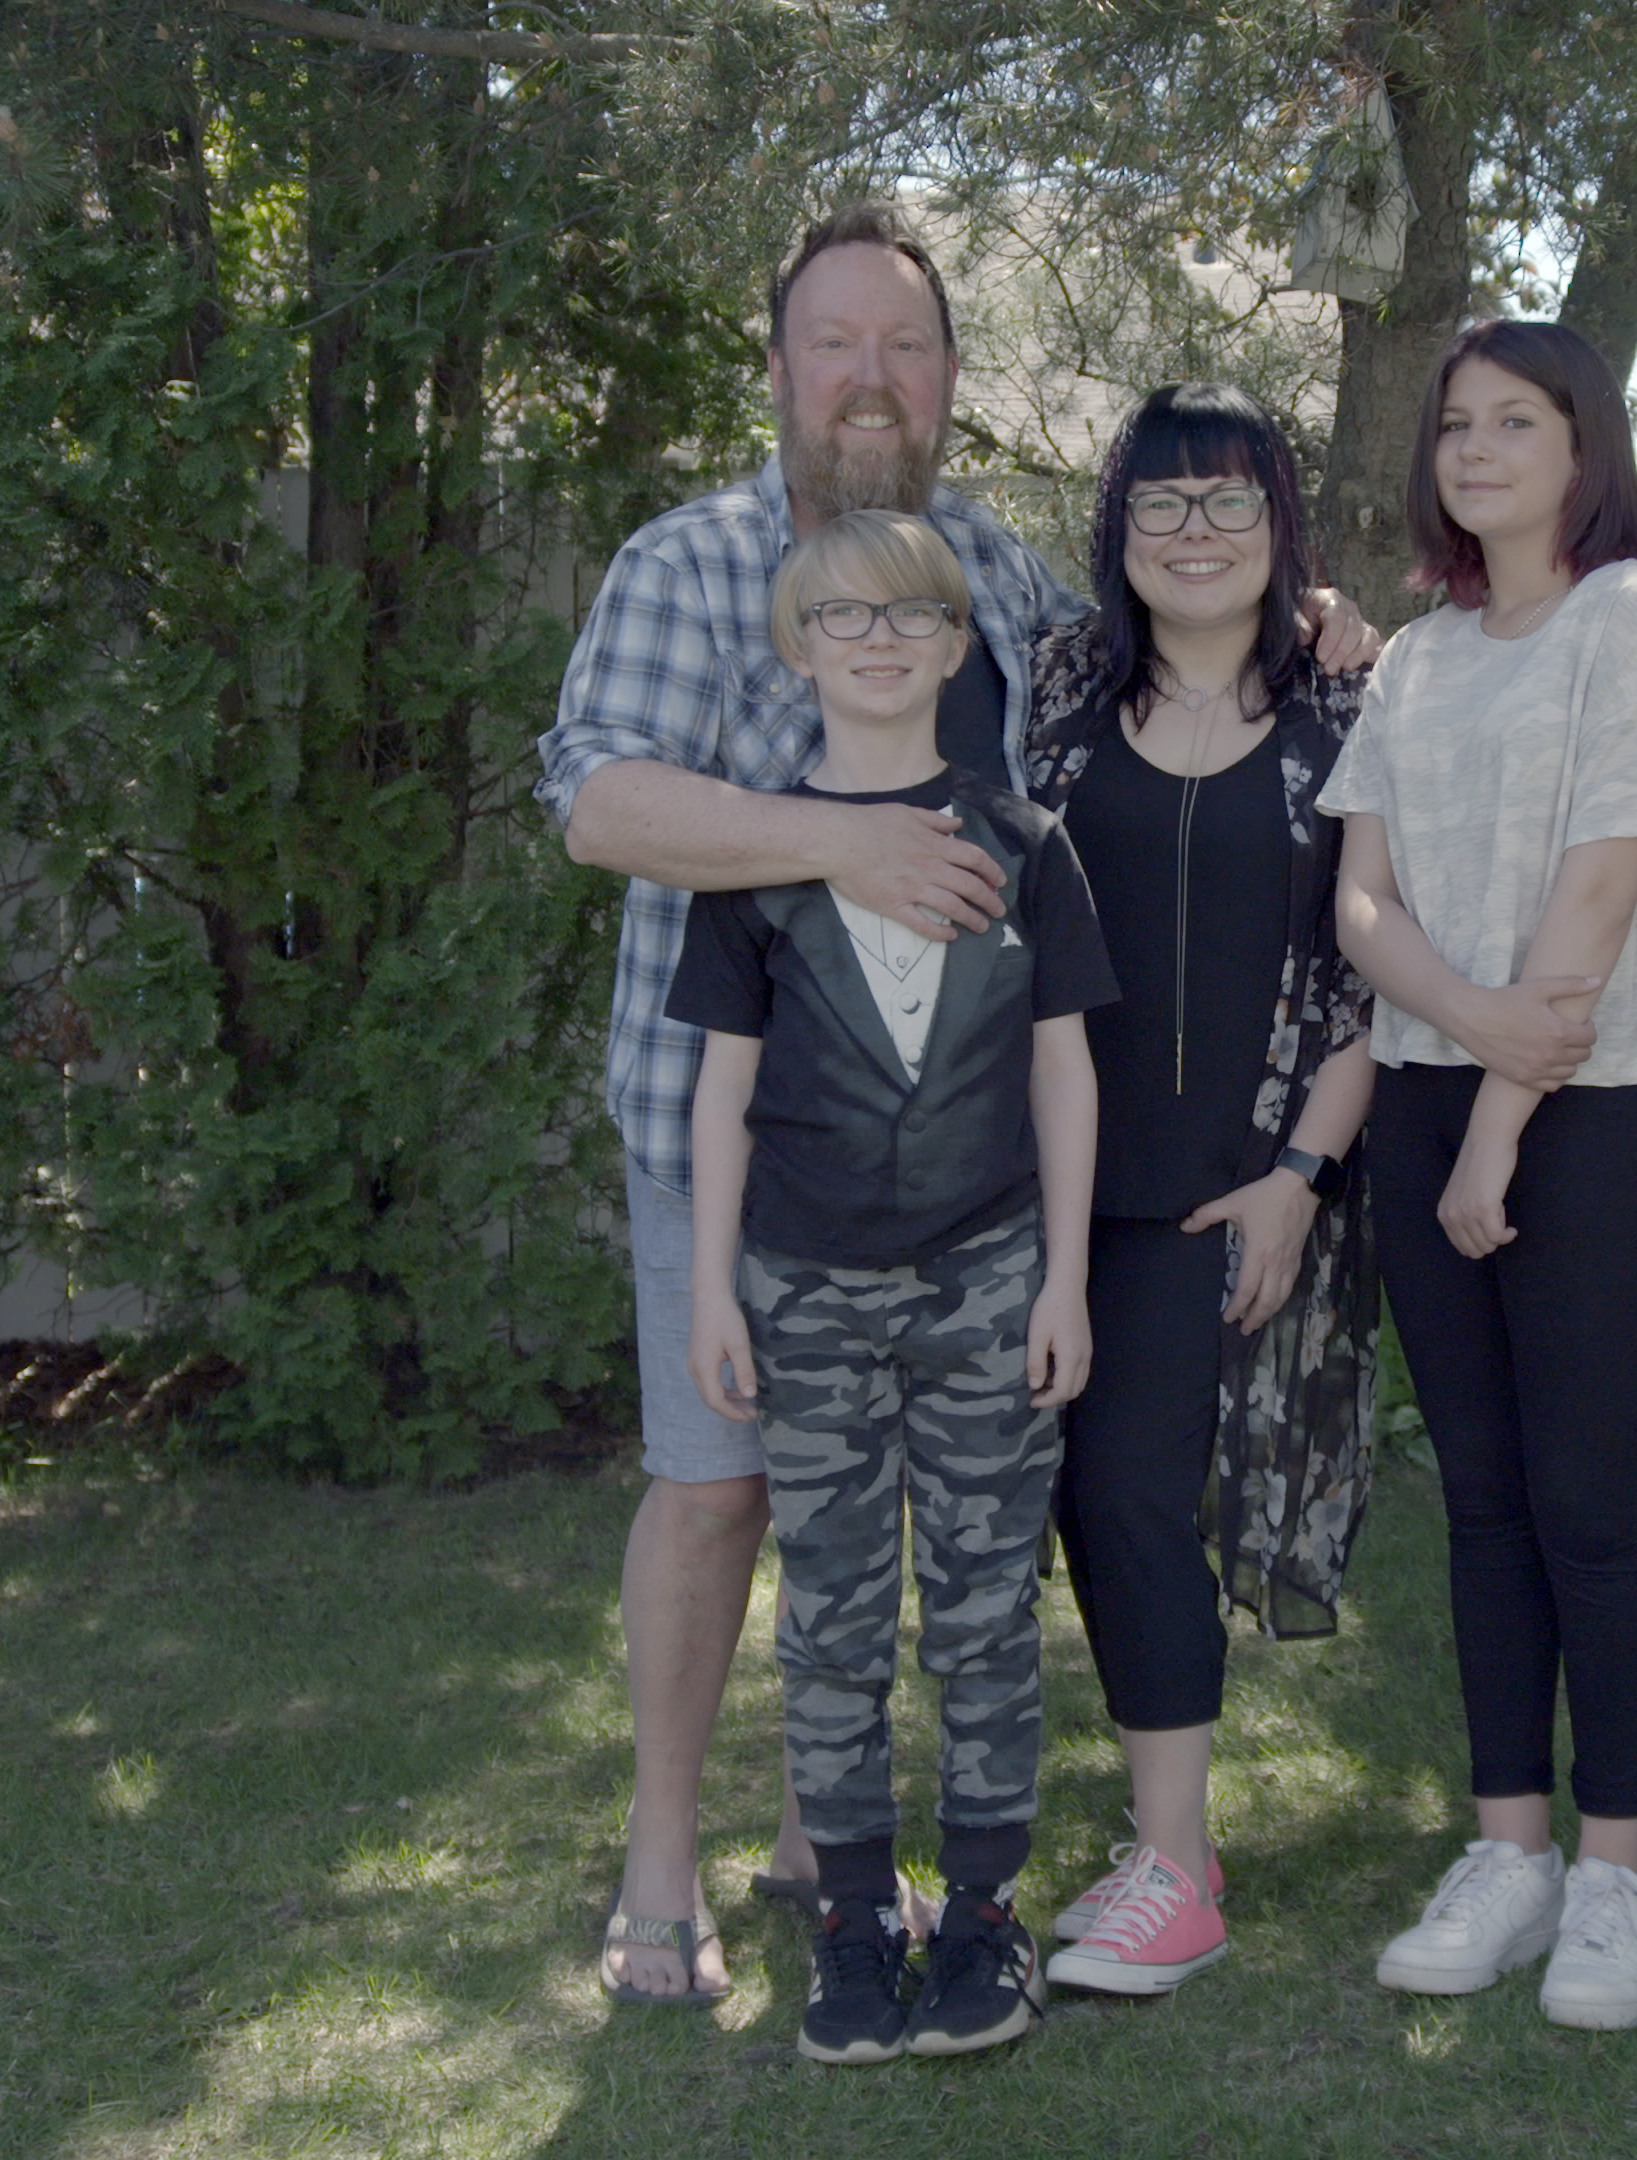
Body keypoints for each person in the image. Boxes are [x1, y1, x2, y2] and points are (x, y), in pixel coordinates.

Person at [534, 201, 1369, 2006]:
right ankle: (661, 1861)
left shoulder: (996, 577)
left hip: (978, 1166)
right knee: (719, 1488)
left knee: (938, 1512)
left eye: (905, 347)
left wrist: (1312, 627)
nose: (868, 379)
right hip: (739, 1129)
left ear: (950, 382)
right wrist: (846, 844)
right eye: (833, 342)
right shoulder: (688, 565)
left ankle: (832, 1837)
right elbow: (601, 805)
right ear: (776, 370)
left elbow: (1160, 681)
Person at [667, 509, 1118, 2062]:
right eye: (838, 620)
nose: (873, 641)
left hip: (990, 1279)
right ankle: (857, 1919)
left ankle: (987, 1914)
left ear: (951, 645)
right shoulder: (758, 859)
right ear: (799, 648)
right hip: (803, 1286)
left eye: (905, 617)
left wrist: (1062, 1277)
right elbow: (720, 1091)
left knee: (988, 1610)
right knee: (838, 1619)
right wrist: (717, 1293)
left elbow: (1066, 1072)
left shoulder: (1024, 840)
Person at [1320, 321, 1637, 2031]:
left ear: (1583, 447)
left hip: (1588, 1114)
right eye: (1456, 424)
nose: (1477, 449)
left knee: (1585, 1501)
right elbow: (1361, 904)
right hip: (1424, 1100)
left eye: (1517, 421)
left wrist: (1499, 1109)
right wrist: (1468, 1049)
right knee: (1480, 1502)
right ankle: (1510, 1853)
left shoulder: (1628, 615)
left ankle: (1616, 1869)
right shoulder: (1414, 659)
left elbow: (1604, 885)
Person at [1019, 384, 1382, 1998]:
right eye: (1158, 504)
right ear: (1116, 533)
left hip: (1225, 1188)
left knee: (1132, 1495)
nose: (1192, 533)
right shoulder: (1054, 692)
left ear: (1282, 529)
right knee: (1016, 1502)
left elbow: (1387, 981)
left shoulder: (1353, 716)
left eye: (1229, 502)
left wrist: (1302, 1172)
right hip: (1036, 1175)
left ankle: (1177, 1865)